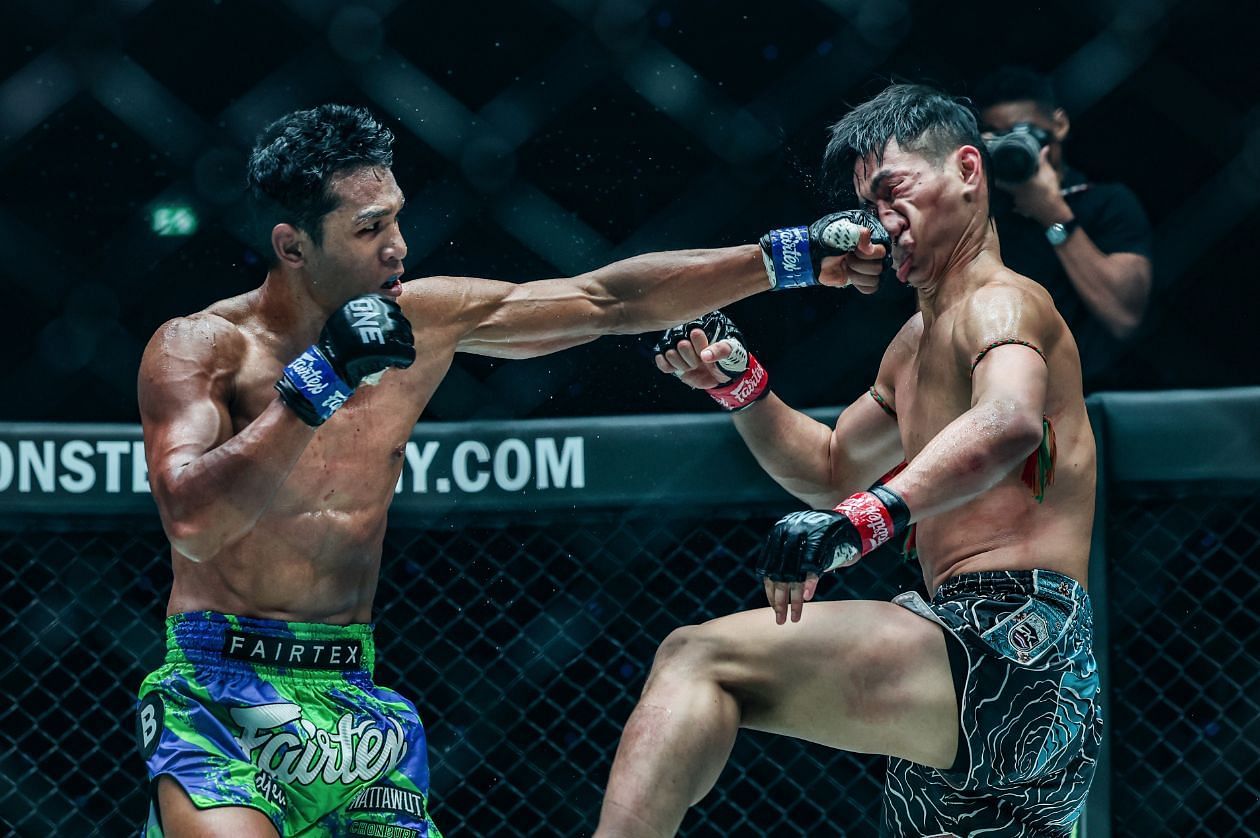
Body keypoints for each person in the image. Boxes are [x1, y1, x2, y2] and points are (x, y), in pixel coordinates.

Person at [132, 103, 880, 837]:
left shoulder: (423, 319)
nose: (397, 247)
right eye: (368, 230)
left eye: (394, 217)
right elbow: (194, 524)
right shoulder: (202, 347)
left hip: (351, 693)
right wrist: (319, 383)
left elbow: (605, 300)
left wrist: (788, 258)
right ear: (293, 248)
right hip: (220, 687)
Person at [595, 84, 1104, 837]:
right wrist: (737, 385)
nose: (880, 221)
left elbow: (1008, 421)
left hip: (1006, 642)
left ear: (967, 170)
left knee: (696, 658)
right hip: (992, 684)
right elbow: (831, 465)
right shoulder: (912, 344)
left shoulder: (1001, 304)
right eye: (867, 204)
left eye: (894, 190)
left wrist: (863, 519)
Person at [973, 65, 1154, 390]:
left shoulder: (1107, 203)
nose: (1012, 146)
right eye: (997, 136)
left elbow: (1124, 316)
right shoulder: (980, 213)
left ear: (1059, 124)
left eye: (1022, 131)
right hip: (1000, 393)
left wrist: (1051, 213)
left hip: (1095, 392)